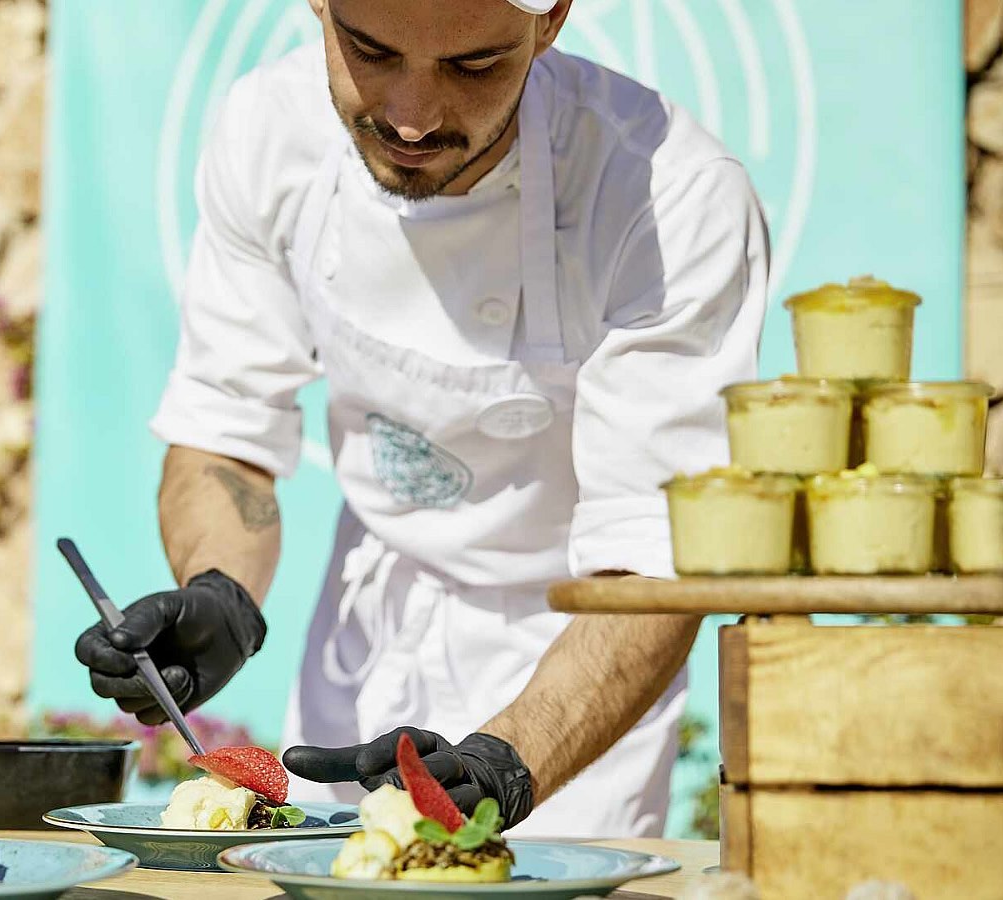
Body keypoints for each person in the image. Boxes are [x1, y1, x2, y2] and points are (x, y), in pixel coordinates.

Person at [74, 0, 767, 837]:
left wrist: (505, 763)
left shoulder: (669, 198)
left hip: (576, 677)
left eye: (473, 67)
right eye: (369, 50)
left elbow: (653, 563)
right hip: (364, 646)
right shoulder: (269, 132)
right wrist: (219, 590)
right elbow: (228, 433)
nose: (411, 116)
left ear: (551, 25)